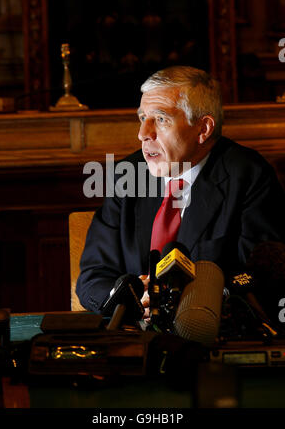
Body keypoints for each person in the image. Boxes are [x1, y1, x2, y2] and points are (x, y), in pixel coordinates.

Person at [76, 66, 285, 319]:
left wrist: (177, 302)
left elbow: (259, 279)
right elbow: (92, 278)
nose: (143, 134)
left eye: (161, 119)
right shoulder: (127, 175)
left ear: (203, 129)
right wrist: (130, 297)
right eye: (143, 118)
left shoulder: (248, 175)